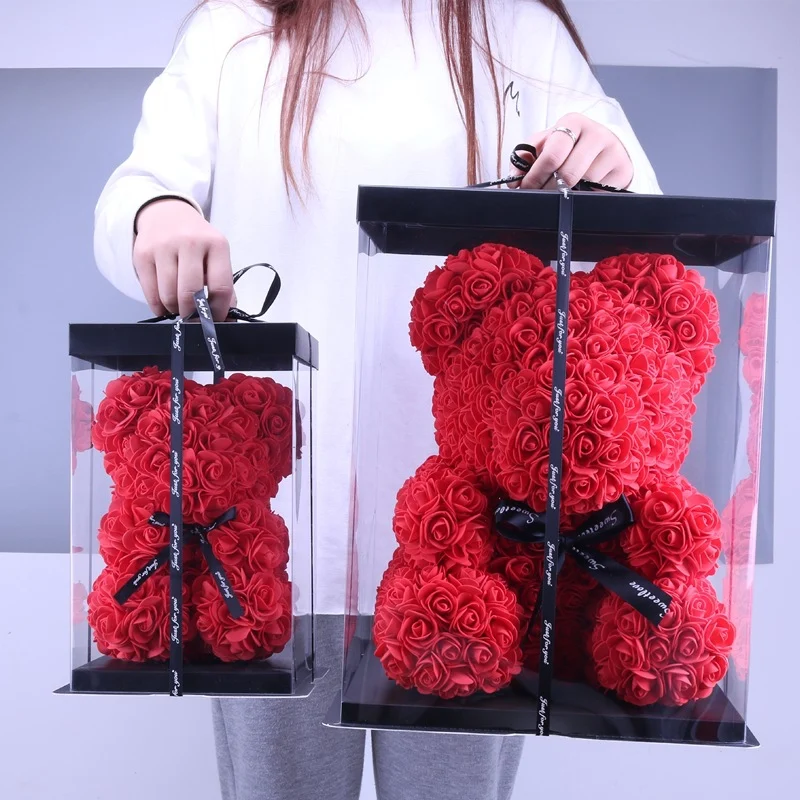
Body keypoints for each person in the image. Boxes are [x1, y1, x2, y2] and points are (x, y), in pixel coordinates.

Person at [94, 1, 660, 799]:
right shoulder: (237, 27)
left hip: (477, 549)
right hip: (278, 549)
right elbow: (135, 194)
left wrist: (608, 165)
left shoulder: (514, 28)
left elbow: (640, 218)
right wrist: (158, 213)